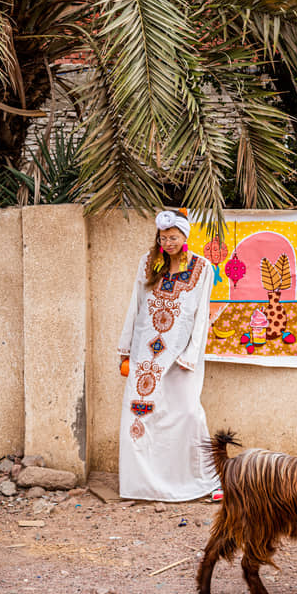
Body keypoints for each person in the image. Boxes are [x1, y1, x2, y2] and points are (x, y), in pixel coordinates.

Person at [117, 209, 220, 501]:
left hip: (180, 357)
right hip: (145, 356)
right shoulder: (149, 263)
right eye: (163, 238)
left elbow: (201, 317)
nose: (168, 242)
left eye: (173, 237)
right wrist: (126, 348)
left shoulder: (202, 267)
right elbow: (135, 305)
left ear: (184, 236)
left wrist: (190, 356)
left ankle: (201, 481)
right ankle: (141, 485)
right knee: (142, 416)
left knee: (188, 413)